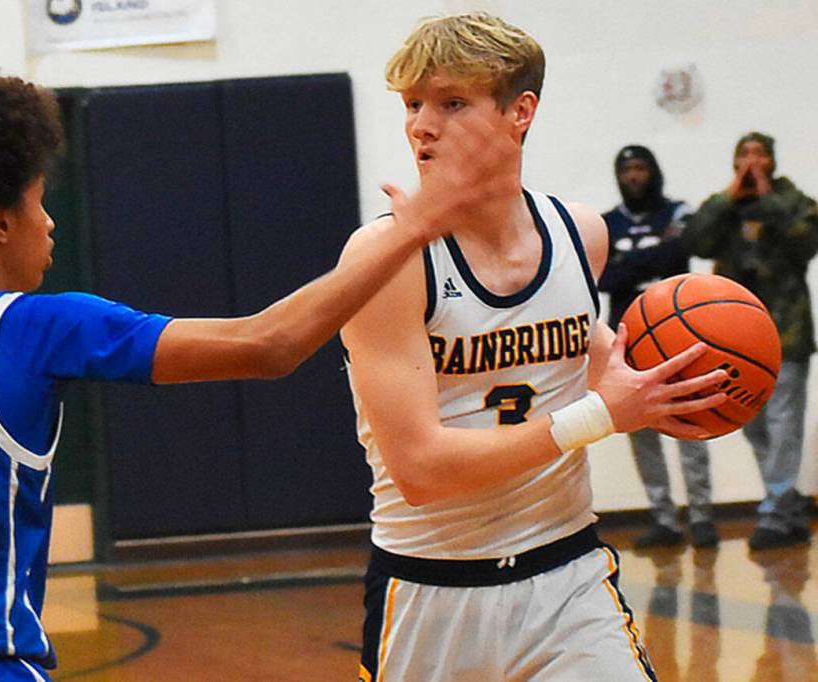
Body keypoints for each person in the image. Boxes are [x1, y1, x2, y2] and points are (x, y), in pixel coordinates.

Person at [0, 69, 503, 679]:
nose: (50, 224)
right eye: (38, 202)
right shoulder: (34, 328)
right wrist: (411, 232)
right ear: (0, 223)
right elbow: (269, 344)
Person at [339, 13, 728, 682]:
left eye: (451, 103)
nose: (422, 125)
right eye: (412, 104)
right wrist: (600, 415)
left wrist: (692, 386)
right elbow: (420, 469)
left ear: (520, 111)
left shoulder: (581, 235)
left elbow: (602, 366)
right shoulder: (387, 258)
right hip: (432, 591)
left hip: (567, 579)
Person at [684, 132, 818, 552]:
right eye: (744, 154)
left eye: (760, 154)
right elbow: (697, 241)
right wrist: (730, 196)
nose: (752, 161)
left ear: (773, 161)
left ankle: (775, 512)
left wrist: (767, 197)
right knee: (750, 420)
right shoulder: (724, 207)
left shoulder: (794, 201)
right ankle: (788, 508)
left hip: (787, 329)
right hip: (736, 336)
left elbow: (806, 243)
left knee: (783, 424)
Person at [599, 145, 717, 550]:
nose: (634, 176)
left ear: (653, 171)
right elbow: (604, 279)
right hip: (628, 342)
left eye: (640, 168)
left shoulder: (679, 211)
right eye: (627, 169)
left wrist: (629, 262)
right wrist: (657, 255)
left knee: (691, 423)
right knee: (642, 431)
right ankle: (663, 517)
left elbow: (681, 253)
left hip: (679, 338)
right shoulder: (606, 223)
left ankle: (701, 515)